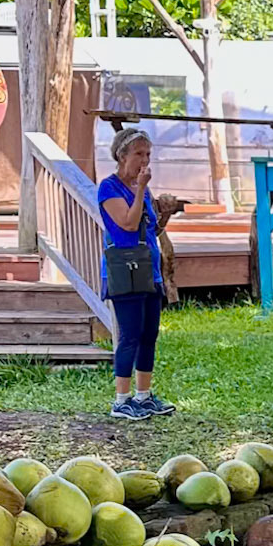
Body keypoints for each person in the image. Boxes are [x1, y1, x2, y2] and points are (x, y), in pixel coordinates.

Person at [97, 127, 183, 419]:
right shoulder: (109, 188)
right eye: (138, 154)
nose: (145, 160)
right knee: (130, 335)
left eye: (148, 154)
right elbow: (128, 225)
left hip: (149, 270)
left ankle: (143, 396)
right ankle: (122, 400)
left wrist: (165, 215)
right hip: (126, 270)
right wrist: (142, 189)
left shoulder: (139, 189)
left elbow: (148, 229)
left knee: (149, 335)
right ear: (122, 155)